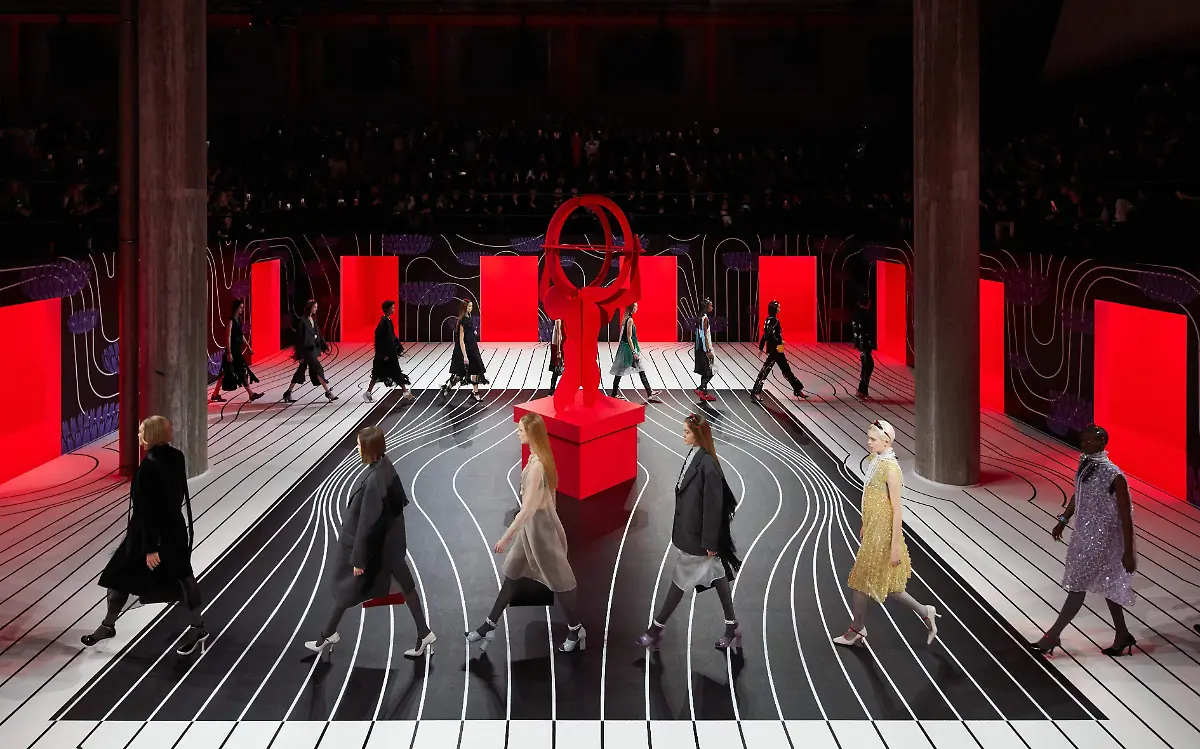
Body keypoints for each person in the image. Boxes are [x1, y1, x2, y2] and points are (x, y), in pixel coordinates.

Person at [304, 425, 436, 658]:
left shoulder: (374, 479)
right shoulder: (386, 466)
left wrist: (359, 559)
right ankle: (424, 633)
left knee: (347, 587)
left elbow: (368, 523)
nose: (356, 448)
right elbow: (397, 504)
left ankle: (327, 635)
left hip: (378, 550)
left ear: (368, 448)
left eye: (359, 445)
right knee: (405, 586)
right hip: (390, 545)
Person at [82, 416, 209, 656]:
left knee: (118, 576)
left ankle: (108, 625)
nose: (138, 435)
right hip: (175, 528)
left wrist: (151, 547)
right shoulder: (177, 456)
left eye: (141, 431)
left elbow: (149, 509)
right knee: (184, 577)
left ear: (151, 435)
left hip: (147, 534)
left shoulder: (149, 467)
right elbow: (174, 498)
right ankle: (197, 627)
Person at [466, 414, 585, 652]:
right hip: (530, 530)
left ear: (532, 434)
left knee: (562, 581)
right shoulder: (536, 458)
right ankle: (489, 625)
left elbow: (528, 508)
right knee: (512, 572)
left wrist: (506, 537)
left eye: (521, 430)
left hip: (541, 533)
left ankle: (576, 629)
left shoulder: (537, 466)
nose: (517, 433)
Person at [637, 413, 742, 652]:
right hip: (693, 534)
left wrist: (710, 542)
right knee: (718, 575)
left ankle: (655, 630)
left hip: (698, 539)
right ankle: (732, 626)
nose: (683, 435)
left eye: (687, 432)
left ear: (699, 434)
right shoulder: (695, 455)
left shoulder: (708, 464)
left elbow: (713, 506)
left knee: (679, 580)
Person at [1029, 424, 1137, 656]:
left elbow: (1126, 516)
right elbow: (1079, 494)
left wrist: (1128, 552)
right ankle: (1122, 634)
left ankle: (1052, 636)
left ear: (1103, 442)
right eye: (1082, 440)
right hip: (1083, 534)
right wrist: (1064, 519)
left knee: (1077, 586)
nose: (1084, 444)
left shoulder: (1114, 474)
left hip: (1102, 538)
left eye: (1090, 441)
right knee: (1107, 584)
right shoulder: (1085, 464)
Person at [832, 420, 939, 647]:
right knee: (885, 584)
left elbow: (898, 510)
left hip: (883, 533)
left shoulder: (890, 469)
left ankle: (857, 629)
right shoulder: (877, 460)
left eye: (873, 439)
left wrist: (895, 546)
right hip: (873, 527)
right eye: (869, 438)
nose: (868, 442)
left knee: (862, 579)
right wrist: (866, 523)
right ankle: (924, 611)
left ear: (886, 442)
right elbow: (871, 496)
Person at [283, 299, 337, 403]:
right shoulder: (302, 321)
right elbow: (299, 340)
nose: (316, 309)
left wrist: (324, 346)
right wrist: (299, 355)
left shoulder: (313, 320)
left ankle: (288, 392)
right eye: (315, 307)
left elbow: (318, 335)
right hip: (306, 351)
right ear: (310, 308)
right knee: (318, 369)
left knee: (300, 371)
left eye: (316, 307)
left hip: (313, 350)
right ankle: (328, 392)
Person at [211, 299, 264, 403]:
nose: (242, 309)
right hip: (232, 352)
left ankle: (215, 394)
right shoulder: (230, 321)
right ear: (236, 308)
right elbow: (228, 337)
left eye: (242, 307)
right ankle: (251, 394)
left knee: (228, 373)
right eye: (240, 307)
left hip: (237, 351)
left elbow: (241, 335)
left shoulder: (238, 321)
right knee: (235, 372)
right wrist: (229, 352)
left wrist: (248, 347)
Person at [751, 300, 805, 402]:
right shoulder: (775, 320)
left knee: (785, 369)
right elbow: (769, 334)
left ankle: (797, 389)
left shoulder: (768, 320)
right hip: (775, 349)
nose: (779, 309)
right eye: (778, 307)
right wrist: (780, 341)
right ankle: (755, 392)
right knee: (765, 370)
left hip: (777, 349)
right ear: (774, 309)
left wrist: (761, 347)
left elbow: (765, 334)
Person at [609, 302, 662, 403]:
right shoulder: (630, 320)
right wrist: (634, 352)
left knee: (638, 369)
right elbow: (629, 337)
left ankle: (649, 392)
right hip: (629, 350)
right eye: (636, 307)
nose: (637, 308)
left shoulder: (626, 319)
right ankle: (614, 394)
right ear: (632, 308)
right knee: (622, 371)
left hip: (626, 348)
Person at [364, 300, 414, 403]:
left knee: (390, 372)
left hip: (389, 353)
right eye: (392, 308)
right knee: (383, 373)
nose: (394, 309)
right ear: (387, 309)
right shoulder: (383, 323)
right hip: (385, 355)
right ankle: (405, 392)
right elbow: (379, 339)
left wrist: (398, 346)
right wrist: (384, 354)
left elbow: (392, 336)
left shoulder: (388, 320)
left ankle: (405, 392)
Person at [439, 299, 487, 403]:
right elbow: (461, 340)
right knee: (459, 375)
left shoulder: (469, 317)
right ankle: (447, 388)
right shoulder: (462, 321)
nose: (471, 308)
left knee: (476, 370)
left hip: (472, 348)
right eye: (469, 306)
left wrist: (473, 331)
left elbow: (469, 331)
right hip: (464, 350)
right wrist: (465, 355)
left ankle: (475, 392)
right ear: (464, 307)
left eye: (471, 306)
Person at [852, 293, 875, 400]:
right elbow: (863, 331)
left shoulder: (858, 314)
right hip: (865, 344)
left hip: (863, 345)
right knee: (868, 366)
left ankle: (863, 390)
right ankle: (862, 391)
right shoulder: (863, 315)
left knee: (867, 367)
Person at [693, 298, 716, 401]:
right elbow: (705, 336)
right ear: (706, 307)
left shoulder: (699, 318)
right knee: (712, 370)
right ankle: (700, 389)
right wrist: (708, 350)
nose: (712, 307)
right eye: (711, 306)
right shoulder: (705, 319)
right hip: (705, 347)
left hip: (699, 347)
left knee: (704, 371)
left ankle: (704, 394)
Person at [548, 318, 565, 395]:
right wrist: (559, 351)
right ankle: (552, 390)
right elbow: (559, 335)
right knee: (557, 367)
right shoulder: (558, 318)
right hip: (558, 345)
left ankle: (554, 389)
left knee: (560, 368)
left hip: (561, 344)